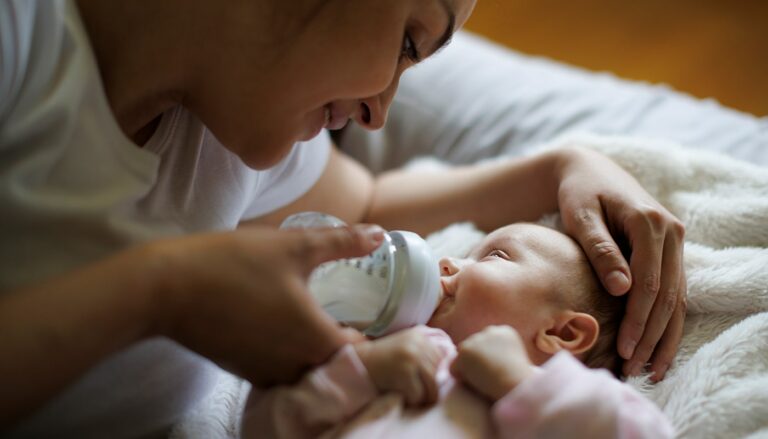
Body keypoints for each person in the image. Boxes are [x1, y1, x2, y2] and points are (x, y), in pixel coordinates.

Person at [0, 0, 685, 436]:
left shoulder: (233, 125)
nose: (379, 111)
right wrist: (164, 291)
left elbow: (363, 209)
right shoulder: (23, 43)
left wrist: (560, 167)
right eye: (410, 43)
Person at [243, 223, 673, 438]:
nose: (448, 262)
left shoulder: (566, 398)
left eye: (495, 257)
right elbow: (264, 426)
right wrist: (365, 369)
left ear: (562, 334)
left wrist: (516, 383)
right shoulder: (381, 351)